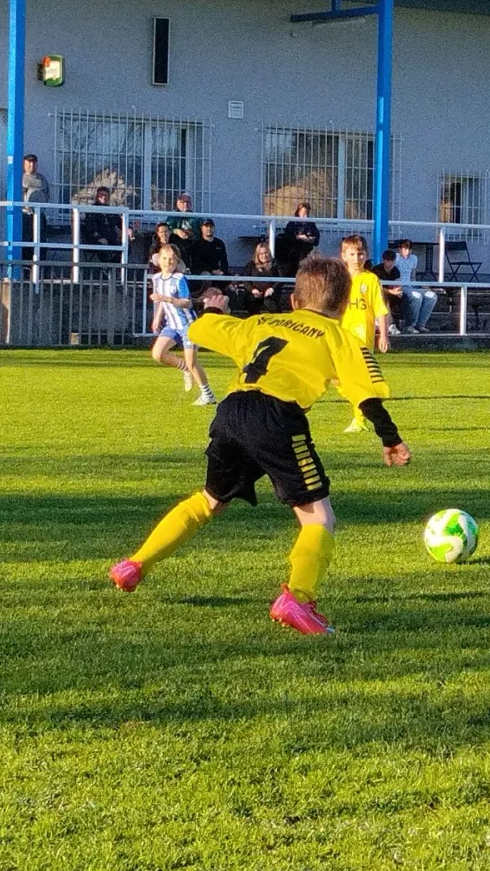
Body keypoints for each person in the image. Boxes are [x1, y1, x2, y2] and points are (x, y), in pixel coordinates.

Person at [109, 255, 412, 635]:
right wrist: (390, 438)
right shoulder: (340, 338)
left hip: (233, 411)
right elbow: (366, 394)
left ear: (295, 301)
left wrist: (214, 307)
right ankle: (297, 599)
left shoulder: (261, 323)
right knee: (319, 519)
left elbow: (203, 328)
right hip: (278, 418)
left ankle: (135, 565)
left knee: (209, 500)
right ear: (342, 305)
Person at [149, 245, 216, 406]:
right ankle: (184, 368)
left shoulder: (179, 279)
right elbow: (161, 301)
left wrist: (168, 299)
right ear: (159, 260)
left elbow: (187, 302)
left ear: (177, 261)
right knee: (157, 354)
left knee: (193, 363)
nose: (168, 262)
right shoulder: (156, 278)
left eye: (172, 259)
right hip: (172, 325)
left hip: (187, 325)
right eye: (165, 259)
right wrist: (157, 318)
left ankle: (208, 395)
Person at [338, 233, 389, 434]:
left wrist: (383, 335)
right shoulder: (339, 280)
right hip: (340, 334)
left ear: (366, 255)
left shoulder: (371, 279)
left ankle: (359, 419)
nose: (356, 258)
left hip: (362, 336)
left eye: (360, 254)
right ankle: (367, 403)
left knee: (357, 377)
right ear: (344, 256)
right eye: (352, 254)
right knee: (337, 377)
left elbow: (380, 309)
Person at [394, 238, 438, 332]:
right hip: (401, 286)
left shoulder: (414, 258)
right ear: (400, 249)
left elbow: (413, 276)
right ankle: (410, 325)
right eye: (405, 249)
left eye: (409, 249)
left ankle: (421, 324)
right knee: (417, 297)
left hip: (411, 286)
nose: (407, 251)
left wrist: (421, 286)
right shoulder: (396, 258)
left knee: (432, 296)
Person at [81, 185, 125, 272]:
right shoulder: (91, 211)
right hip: (95, 240)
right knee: (102, 245)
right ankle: (108, 268)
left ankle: (109, 266)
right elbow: (90, 228)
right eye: (101, 195)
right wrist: (99, 237)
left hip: (111, 239)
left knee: (127, 247)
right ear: (97, 196)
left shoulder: (111, 211)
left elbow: (120, 222)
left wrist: (128, 228)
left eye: (105, 195)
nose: (103, 197)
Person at [235, 240, 282, 315]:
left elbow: (281, 279)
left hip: (271, 293)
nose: (264, 255)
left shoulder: (275, 264)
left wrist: (272, 289)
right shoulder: (251, 265)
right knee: (250, 300)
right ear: (257, 254)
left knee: (269, 302)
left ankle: (277, 318)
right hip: (255, 292)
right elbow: (245, 279)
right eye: (261, 253)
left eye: (266, 253)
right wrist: (253, 290)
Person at [276, 202, 320, 277]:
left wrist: (311, 239)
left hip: (307, 250)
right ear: (299, 212)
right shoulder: (292, 223)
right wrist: (299, 237)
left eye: (307, 213)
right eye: (304, 213)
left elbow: (316, 238)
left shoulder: (311, 224)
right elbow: (287, 237)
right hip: (293, 251)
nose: (305, 216)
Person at [376, 243, 408, 333]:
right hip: (379, 293)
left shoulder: (396, 271)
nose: (390, 263)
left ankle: (407, 324)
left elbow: (398, 284)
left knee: (405, 297)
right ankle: (390, 324)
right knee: (383, 298)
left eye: (392, 261)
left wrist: (398, 291)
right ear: (384, 260)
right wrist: (391, 291)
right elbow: (376, 288)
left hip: (391, 292)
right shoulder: (377, 270)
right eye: (388, 261)